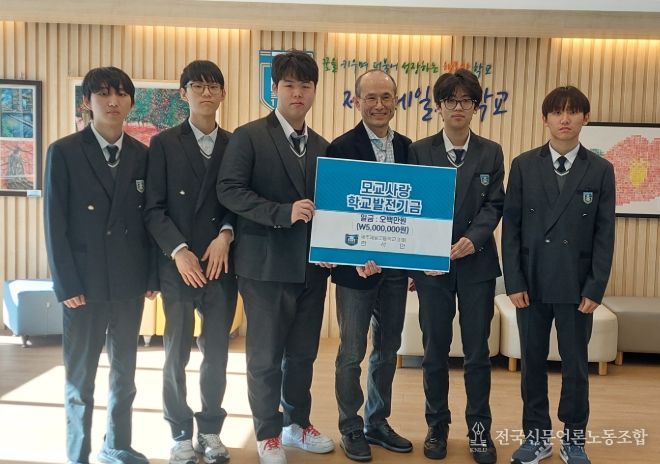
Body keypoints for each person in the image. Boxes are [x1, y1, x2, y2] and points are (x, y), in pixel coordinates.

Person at [217, 50, 334, 464]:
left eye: (305, 85)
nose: (297, 93)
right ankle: (267, 432)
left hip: (311, 270)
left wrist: (332, 248)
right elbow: (229, 190)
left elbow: (331, 209)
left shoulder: (323, 146)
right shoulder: (249, 136)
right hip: (264, 267)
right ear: (274, 89)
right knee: (265, 357)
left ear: (314, 91)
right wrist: (282, 213)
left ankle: (297, 424)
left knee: (302, 355)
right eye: (289, 85)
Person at [44, 66, 157, 464]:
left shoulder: (143, 155)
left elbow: (149, 221)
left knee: (125, 375)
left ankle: (118, 445)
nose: (113, 101)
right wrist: (66, 285)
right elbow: (54, 224)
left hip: (129, 283)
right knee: (80, 379)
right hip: (83, 287)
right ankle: (78, 455)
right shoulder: (64, 151)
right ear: (87, 102)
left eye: (121, 94)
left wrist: (151, 276)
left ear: (131, 102)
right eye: (104, 94)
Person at [502, 86, 615, 464]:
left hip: (577, 286)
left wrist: (596, 287)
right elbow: (512, 229)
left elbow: (604, 234)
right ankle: (536, 437)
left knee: (576, 367)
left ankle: (574, 439)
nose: (564, 119)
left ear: (586, 118)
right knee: (532, 365)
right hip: (531, 284)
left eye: (573, 112)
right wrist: (514, 281)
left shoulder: (601, 169)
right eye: (557, 112)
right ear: (545, 118)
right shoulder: (523, 165)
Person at [408, 68, 504, 464]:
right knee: (434, 351)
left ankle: (479, 430)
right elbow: (411, 207)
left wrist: (474, 238)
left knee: (478, 352)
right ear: (439, 107)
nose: (458, 107)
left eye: (466, 100)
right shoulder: (419, 151)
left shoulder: (491, 152)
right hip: (433, 268)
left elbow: (494, 204)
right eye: (451, 100)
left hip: (477, 264)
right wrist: (416, 262)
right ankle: (437, 426)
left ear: (476, 107)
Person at [144, 60, 238, 464]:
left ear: (222, 94)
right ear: (183, 93)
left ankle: (211, 430)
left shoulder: (236, 144)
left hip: (220, 265)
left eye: (213, 86)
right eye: (197, 86)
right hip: (178, 265)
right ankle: (180, 432)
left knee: (216, 352)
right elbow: (153, 208)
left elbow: (240, 199)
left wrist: (226, 233)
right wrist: (178, 251)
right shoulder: (163, 143)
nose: (206, 93)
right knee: (175, 352)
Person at [325, 69, 412, 462]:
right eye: (371, 97)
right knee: (351, 352)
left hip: (394, 272)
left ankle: (377, 421)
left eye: (386, 97)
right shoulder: (340, 149)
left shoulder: (409, 149)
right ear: (357, 101)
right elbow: (334, 214)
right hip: (354, 272)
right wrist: (353, 257)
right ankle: (350, 426)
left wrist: (415, 261)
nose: (379, 105)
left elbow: (414, 212)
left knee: (388, 348)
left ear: (396, 101)